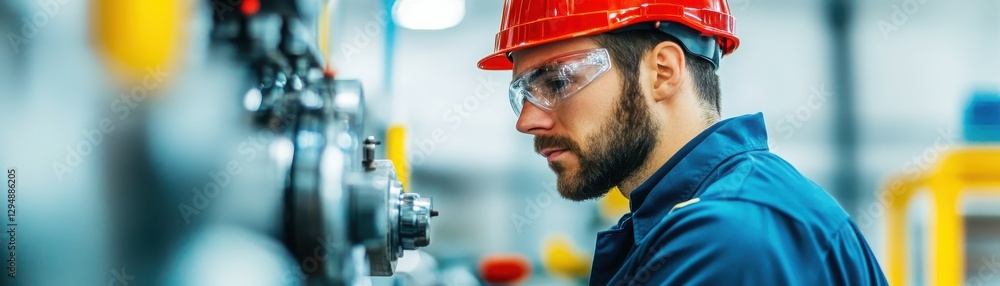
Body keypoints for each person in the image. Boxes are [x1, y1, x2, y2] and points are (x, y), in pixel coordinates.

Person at [477, 1, 889, 285]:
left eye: (557, 82)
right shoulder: (716, 211)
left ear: (662, 72)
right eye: (523, 96)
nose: (528, 120)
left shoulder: (725, 236)